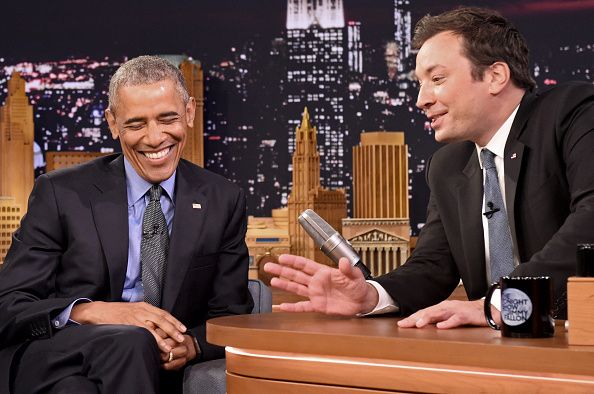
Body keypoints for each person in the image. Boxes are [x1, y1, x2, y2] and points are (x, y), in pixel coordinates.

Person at [265, 7, 594, 329]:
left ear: (495, 76)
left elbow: (591, 219)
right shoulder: (447, 165)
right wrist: (369, 295)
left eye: (437, 79)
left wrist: (504, 302)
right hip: (497, 351)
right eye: (419, 83)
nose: (421, 99)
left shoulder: (573, 114)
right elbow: (432, 268)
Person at [0, 56, 253, 393]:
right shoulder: (61, 193)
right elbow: (9, 304)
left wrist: (191, 345)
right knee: (131, 341)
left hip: (133, 371)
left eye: (168, 119)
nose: (154, 138)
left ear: (189, 113)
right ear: (113, 123)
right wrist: (94, 312)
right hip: (61, 353)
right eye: (136, 124)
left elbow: (231, 314)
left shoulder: (223, 199)